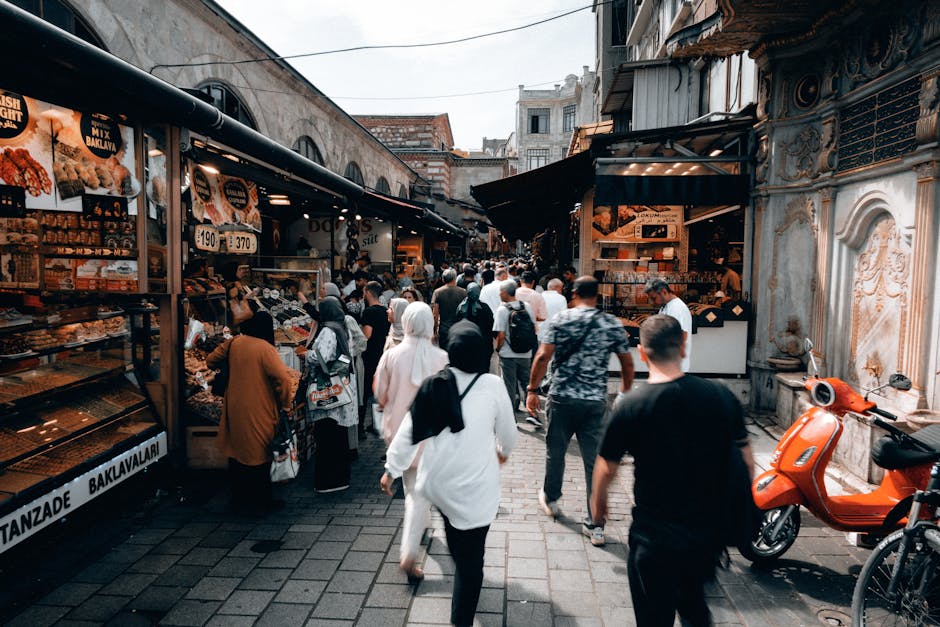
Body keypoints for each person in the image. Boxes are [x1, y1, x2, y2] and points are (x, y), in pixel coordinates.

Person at [591, 315, 752, 626]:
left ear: (641, 352)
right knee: (694, 607)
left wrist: (598, 507)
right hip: (704, 537)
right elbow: (745, 461)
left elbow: (605, 467)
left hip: (654, 538)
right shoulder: (720, 396)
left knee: (653, 617)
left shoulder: (631, 405)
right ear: (683, 345)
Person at [381, 321, 517, 627]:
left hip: (438, 484)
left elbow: (408, 432)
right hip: (476, 488)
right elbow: (509, 434)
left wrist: (391, 469)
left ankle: (459, 560)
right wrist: (503, 452)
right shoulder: (493, 386)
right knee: (471, 563)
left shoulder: (435, 383)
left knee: (457, 538)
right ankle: (462, 617)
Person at [526, 276, 634, 546]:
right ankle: (595, 525)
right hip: (595, 402)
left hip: (561, 397)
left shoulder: (561, 320)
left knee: (556, 451)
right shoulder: (610, 323)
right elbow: (627, 362)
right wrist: (624, 393)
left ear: (574, 293)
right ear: (597, 296)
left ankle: (551, 498)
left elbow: (542, 356)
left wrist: (532, 389)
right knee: (594, 462)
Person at [374, 302, 449, 582]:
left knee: (412, 486)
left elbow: (380, 394)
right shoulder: (441, 357)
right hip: (431, 435)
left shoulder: (391, 356)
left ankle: (421, 525)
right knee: (418, 494)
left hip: (397, 431)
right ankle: (409, 552)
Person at [207, 311, 292, 514]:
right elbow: (283, 379)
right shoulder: (265, 348)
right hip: (259, 407)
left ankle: (239, 497)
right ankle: (260, 501)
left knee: (237, 450)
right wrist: (285, 403)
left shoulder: (235, 342)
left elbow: (211, 360)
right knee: (260, 452)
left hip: (235, 405)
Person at [304, 297, 358, 492]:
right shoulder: (341, 326)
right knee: (338, 434)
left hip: (328, 390)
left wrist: (306, 354)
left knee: (327, 434)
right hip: (341, 386)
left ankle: (330, 481)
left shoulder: (328, 330)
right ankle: (341, 478)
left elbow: (322, 357)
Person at [493, 280, 538, 426]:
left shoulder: (502, 310)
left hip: (508, 355)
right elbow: (533, 328)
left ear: (506, 292)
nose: (499, 293)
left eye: (501, 291)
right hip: (526, 353)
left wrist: (498, 349)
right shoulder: (528, 307)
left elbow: (500, 335)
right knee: (526, 384)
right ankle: (533, 413)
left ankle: (510, 417)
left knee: (509, 386)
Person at [360, 281, 390, 436]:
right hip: (382, 352)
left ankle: (361, 428)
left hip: (369, 354)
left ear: (368, 293)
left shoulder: (368, 312)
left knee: (364, 391)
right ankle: (379, 423)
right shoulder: (386, 311)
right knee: (379, 389)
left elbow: (367, 335)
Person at [645, 278, 693, 372]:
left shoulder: (678, 308)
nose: (652, 302)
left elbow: (683, 336)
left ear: (664, 292)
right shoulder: (666, 306)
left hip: (675, 365)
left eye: (654, 298)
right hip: (667, 363)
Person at [431, 268, 467, 350]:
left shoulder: (437, 292)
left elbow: (435, 315)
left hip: (444, 329)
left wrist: (434, 332)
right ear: (455, 278)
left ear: (443, 279)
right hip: (459, 329)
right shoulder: (463, 292)